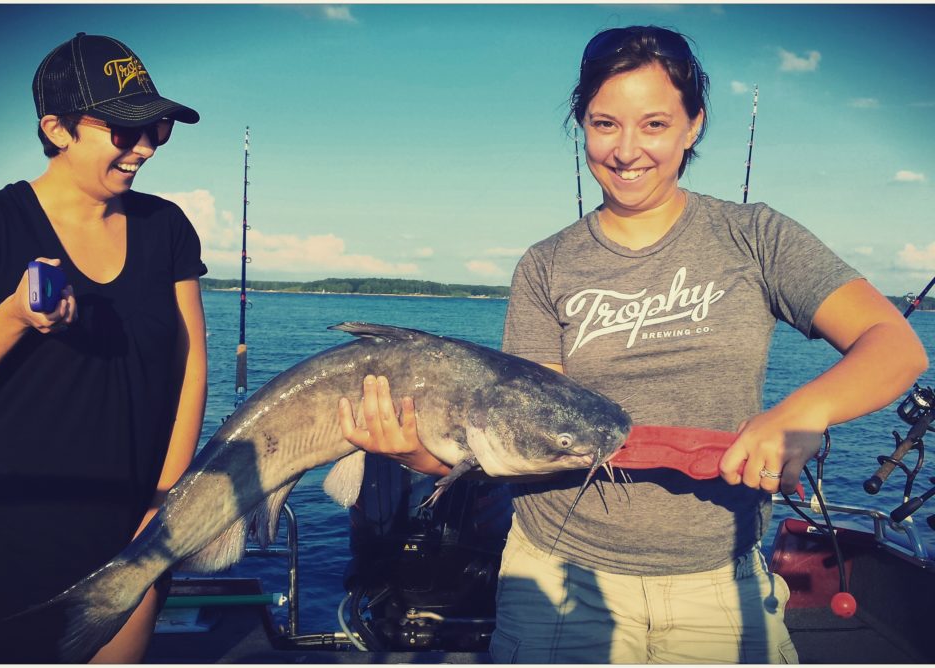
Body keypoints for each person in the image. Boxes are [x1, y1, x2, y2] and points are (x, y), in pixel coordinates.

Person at [338, 25, 929, 663]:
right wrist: (415, 456)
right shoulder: (547, 265)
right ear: (581, 126)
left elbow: (894, 345)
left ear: (692, 125)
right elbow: (522, 437)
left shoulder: (756, 236)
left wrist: (803, 412)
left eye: (653, 124)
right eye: (603, 124)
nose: (626, 151)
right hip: (558, 577)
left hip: (716, 579)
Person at [0, 33, 207, 662]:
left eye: (157, 128)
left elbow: (190, 372)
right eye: (125, 132)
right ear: (58, 128)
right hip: (13, 533)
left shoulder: (169, 229)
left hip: (136, 533)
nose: (147, 148)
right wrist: (15, 315)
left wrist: (167, 509)